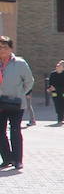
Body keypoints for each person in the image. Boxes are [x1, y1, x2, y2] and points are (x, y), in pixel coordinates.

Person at [0, 36, 34, 171]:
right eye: (0, 47)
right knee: (0, 132)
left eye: (5, 47)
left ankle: (17, 160)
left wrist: (20, 94)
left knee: (15, 130)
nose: (2, 50)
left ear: (11, 49)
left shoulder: (19, 63)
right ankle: (7, 158)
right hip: (0, 102)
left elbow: (29, 81)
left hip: (16, 103)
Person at [47, 60, 64, 125]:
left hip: (63, 92)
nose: (58, 64)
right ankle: (60, 119)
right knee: (57, 104)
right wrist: (49, 88)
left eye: (60, 64)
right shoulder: (52, 74)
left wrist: (56, 88)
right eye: (58, 63)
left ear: (63, 68)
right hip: (55, 92)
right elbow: (50, 83)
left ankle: (61, 116)